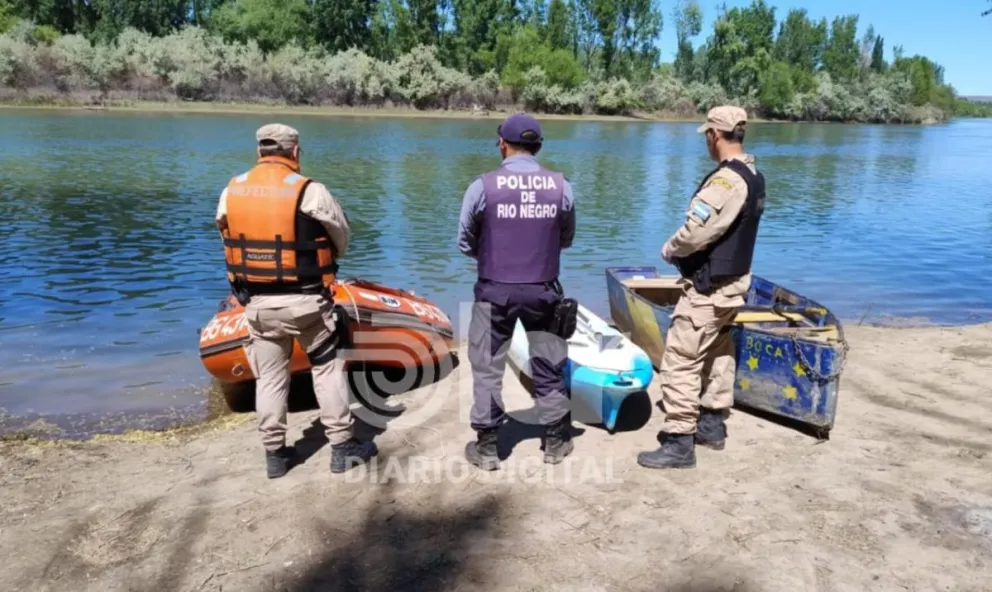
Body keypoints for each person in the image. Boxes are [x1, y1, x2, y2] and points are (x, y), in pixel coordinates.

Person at [215, 123, 377, 479]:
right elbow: (342, 240)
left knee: (270, 377)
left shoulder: (231, 191)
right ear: (295, 153)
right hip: (307, 304)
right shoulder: (311, 191)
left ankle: (275, 454)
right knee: (327, 367)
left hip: (257, 305)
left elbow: (224, 233)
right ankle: (341, 445)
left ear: (259, 152)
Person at [637, 106, 766, 470]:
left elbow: (697, 230)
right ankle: (712, 426)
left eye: (707, 135)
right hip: (735, 286)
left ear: (715, 135)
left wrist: (671, 249)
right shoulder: (754, 175)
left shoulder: (726, 181)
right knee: (719, 353)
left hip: (709, 291)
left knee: (680, 359)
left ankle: (679, 442)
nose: (707, 142)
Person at [457, 112, 577, 470]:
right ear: (538, 147)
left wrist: (497, 256)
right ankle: (555, 442)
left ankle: (489, 447)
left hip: (494, 291)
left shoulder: (483, 185)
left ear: (502, 144)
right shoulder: (561, 186)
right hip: (544, 289)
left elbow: (464, 242)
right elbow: (566, 238)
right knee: (549, 363)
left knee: (487, 367)